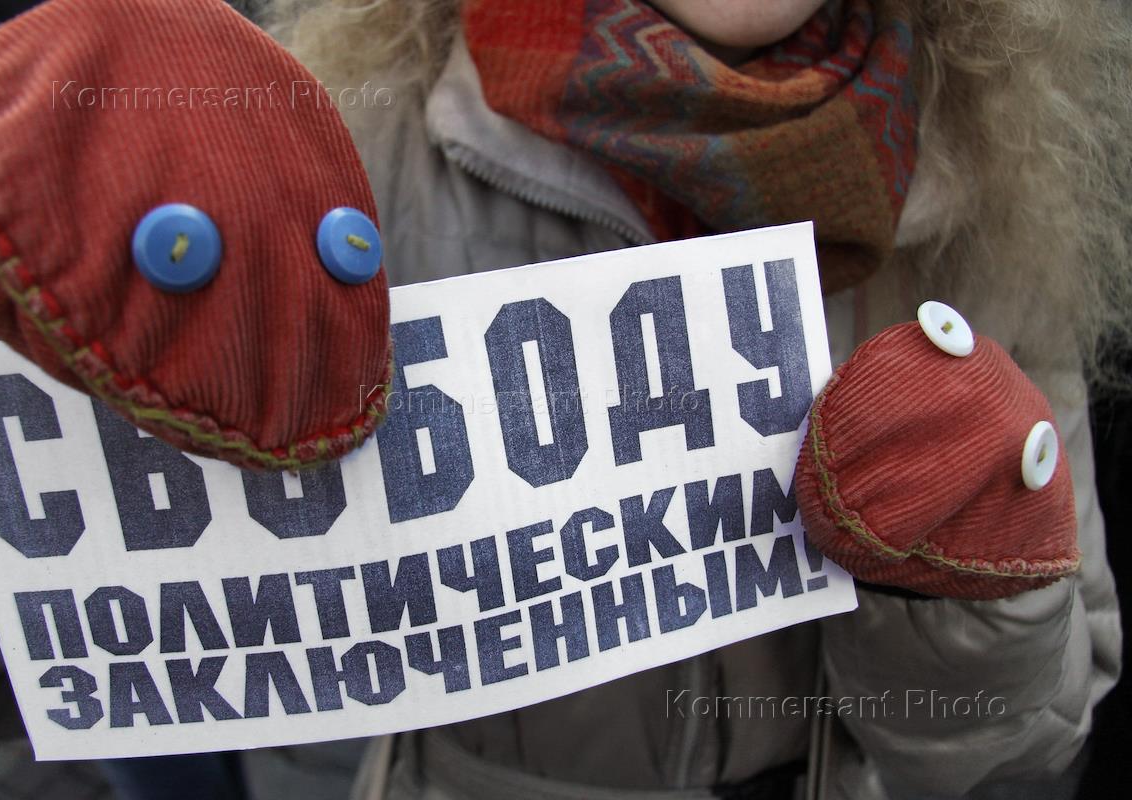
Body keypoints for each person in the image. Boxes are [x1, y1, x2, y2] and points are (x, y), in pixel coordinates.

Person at [263, 0, 1131, 797]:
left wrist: (949, 593)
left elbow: (1031, 745)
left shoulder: (992, 170)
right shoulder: (356, 139)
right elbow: (284, 688)